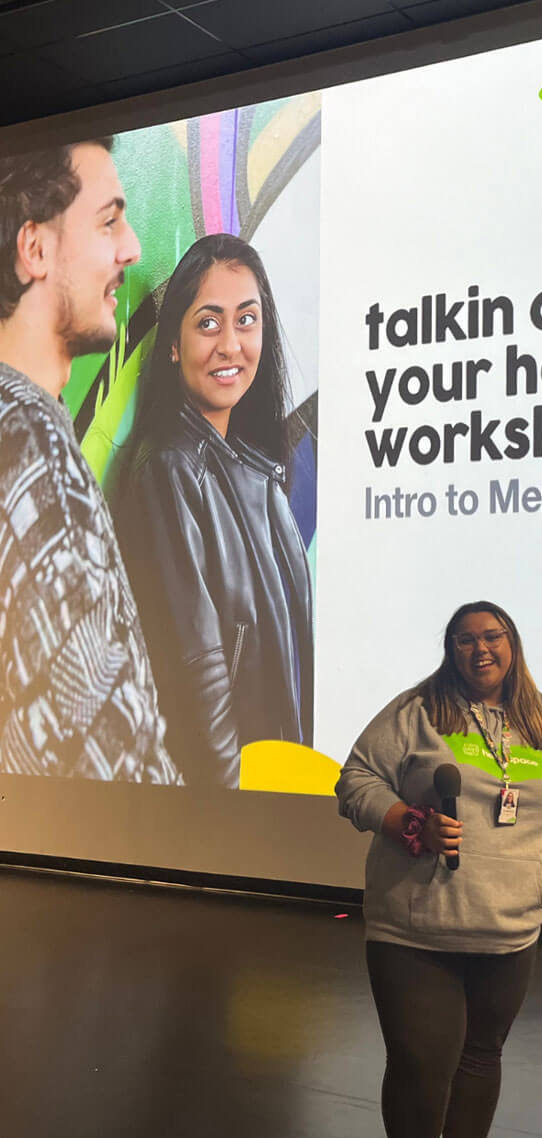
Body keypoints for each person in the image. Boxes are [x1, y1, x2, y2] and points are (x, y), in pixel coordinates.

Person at [337, 601, 542, 1138]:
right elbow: (355, 780)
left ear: (513, 645)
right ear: (450, 650)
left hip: (510, 929)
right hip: (417, 927)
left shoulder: (541, 728)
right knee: (420, 1063)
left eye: (492, 636)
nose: (480, 649)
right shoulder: (416, 713)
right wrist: (408, 822)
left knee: (480, 1057)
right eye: (464, 640)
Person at [0, 138, 178, 783]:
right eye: (108, 222)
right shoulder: (33, 437)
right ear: (35, 250)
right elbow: (106, 748)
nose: (131, 248)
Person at [118, 233, 314, 788]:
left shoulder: (259, 473)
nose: (231, 344)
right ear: (174, 344)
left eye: (246, 320)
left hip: (276, 790)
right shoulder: (171, 468)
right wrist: (234, 813)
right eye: (208, 322)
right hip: (233, 810)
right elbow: (197, 672)